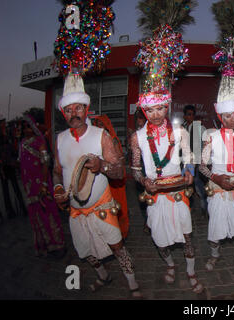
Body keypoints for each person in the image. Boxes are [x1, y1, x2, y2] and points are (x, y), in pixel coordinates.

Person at [53, 73, 141, 298]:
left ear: (86, 108)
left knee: (117, 247)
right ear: (63, 112)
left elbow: (120, 171)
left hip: (102, 207)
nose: (74, 114)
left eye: (78, 108)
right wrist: (58, 189)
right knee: (85, 252)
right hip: (76, 210)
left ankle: (133, 285)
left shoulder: (100, 135)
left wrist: (102, 165)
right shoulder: (60, 139)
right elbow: (56, 172)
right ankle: (103, 276)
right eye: (69, 110)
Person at [130, 91, 204, 294]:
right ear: (143, 111)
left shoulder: (180, 131)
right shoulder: (137, 138)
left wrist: (189, 170)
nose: (155, 114)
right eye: (150, 110)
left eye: (160, 108)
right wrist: (144, 180)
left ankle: (191, 272)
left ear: (168, 107)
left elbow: (189, 156)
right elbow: (135, 169)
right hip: (155, 197)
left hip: (178, 194)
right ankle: (170, 264)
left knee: (187, 236)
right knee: (159, 239)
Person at [199, 70, 234, 276]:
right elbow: (202, 166)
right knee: (215, 231)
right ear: (220, 116)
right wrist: (216, 177)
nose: (233, 119)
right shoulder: (210, 136)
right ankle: (214, 255)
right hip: (218, 190)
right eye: (228, 115)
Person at [18, 114, 66, 258]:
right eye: (23, 127)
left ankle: (58, 245)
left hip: (41, 184)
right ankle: (43, 245)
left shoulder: (40, 141)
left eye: (28, 126)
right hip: (29, 186)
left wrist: (44, 183)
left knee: (48, 214)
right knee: (36, 216)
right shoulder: (21, 143)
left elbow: (46, 163)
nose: (26, 130)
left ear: (33, 127)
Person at [92, 114, 129, 239]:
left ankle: (120, 234)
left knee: (116, 206)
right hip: (101, 179)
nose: (99, 127)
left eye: (102, 124)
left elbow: (120, 160)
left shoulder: (112, 139)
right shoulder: (95, 140)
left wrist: (108, 167)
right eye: (97, 125)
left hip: (114, 180)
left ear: (107, 126)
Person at [182, 104, 208, 215]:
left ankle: (205, 209)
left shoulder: (199, 127)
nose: (190, 117)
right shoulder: (183, 128)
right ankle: (188, 208)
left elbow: (206, 144)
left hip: (197, 163)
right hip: (185, 162)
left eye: (192, 114)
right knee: (186, 185)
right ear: (184, 116)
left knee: (199, 186)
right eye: (188, 114)